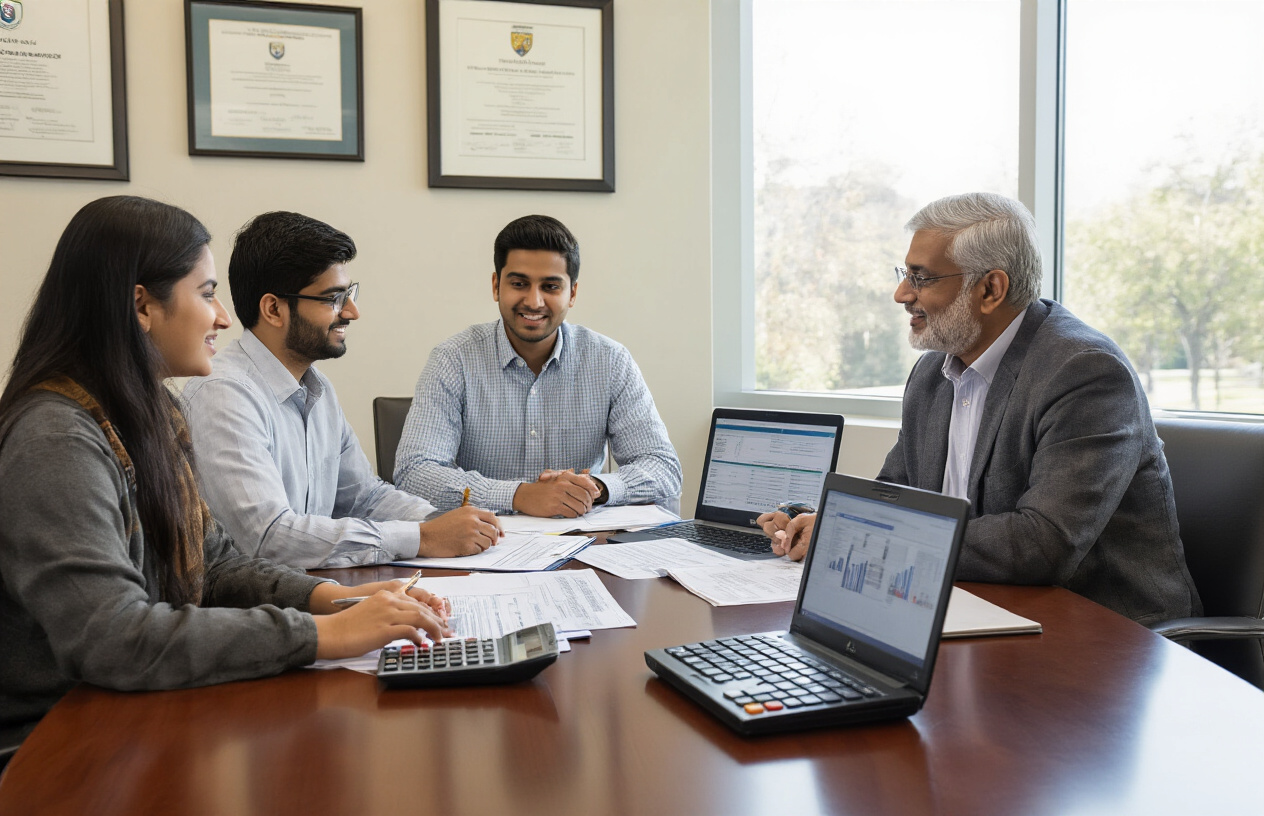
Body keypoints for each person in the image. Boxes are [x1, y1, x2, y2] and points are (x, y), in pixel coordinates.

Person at [0, 197, 452, 734]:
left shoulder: (152, 412)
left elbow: (215, 565)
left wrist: (337, 600)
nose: (222, 316)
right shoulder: (56, 438)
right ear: (142, 306)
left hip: (131, 709)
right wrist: (324, 634)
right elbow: (113, 639)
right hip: (55, 738)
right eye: (206, 293)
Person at [759, 192, 1200, 625]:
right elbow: (894, 493)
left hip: (1104, 633)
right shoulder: (932, 373)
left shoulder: (1084, 372)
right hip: (976, 610)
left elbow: (1042, 543)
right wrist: (821, 522)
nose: (901, 294)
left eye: (921, 278)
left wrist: (862, 532)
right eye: (904, 273)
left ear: (990, 289)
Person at [182, 212, 502, 570]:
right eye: (333, 298)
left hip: (312, 590)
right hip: (251, 600)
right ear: (273, 309)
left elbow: (364, 497)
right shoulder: (223, 395)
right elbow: (267, 539)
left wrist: (444, 522)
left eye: (348, 293)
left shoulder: (317, 388)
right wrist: (422, 537)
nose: (352, 311)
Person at [394, 214, 683, 518]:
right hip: (485, 537)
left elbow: (663, 468)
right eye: (519, 284)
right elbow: (414, 473)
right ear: (496, 286)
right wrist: (519, 495)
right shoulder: (453, 360)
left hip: (582, 537)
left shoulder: (610, 361)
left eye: (550, 286)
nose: (534, 301)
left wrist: (594, 488)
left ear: (572, 294)